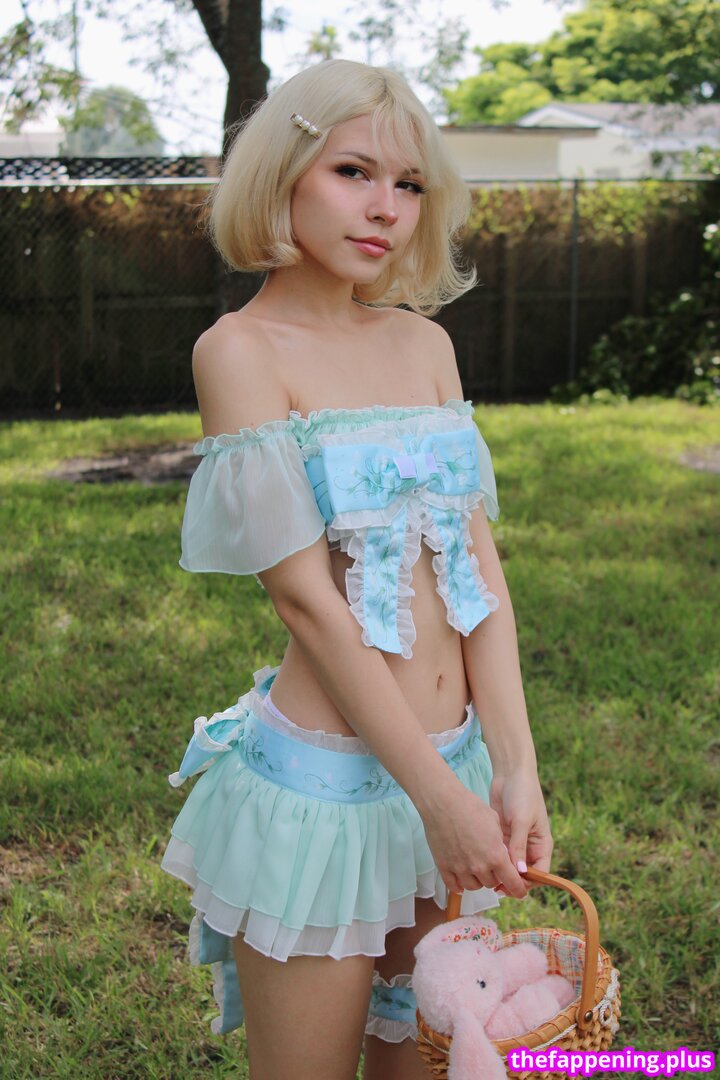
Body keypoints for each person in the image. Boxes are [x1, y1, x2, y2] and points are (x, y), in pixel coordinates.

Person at [160, 58, 553, 1080]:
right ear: (283, 174)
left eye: (409, 184)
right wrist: (438, 801)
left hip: (457, 765)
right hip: (324, 795)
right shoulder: (241, 351)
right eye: (353, 172)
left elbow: (482, 578)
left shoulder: (424, 347)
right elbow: (307, 604)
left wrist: (513, 766)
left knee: (428, 1060)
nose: (386, 208)